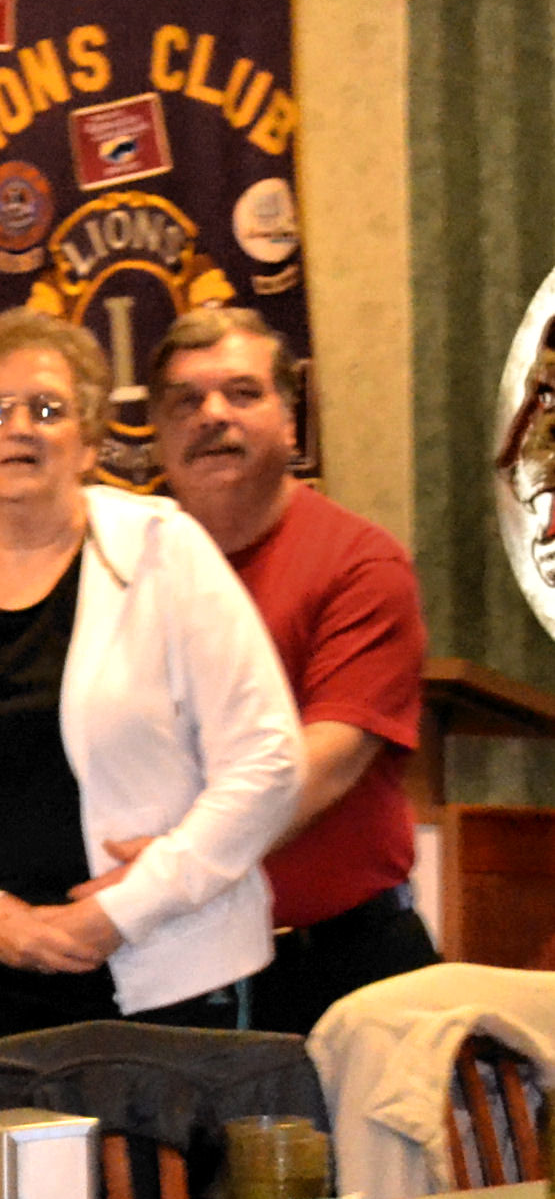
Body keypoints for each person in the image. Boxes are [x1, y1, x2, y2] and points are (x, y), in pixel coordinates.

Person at [0, 310, 302, 1043]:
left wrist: (121, 911)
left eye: (47, 409)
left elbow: (268, 761)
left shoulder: (167, 552)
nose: (19, 429)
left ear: (90, 442)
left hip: (167, 975)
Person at [152, 306, 438, 1035]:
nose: (212, 415)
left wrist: (149, 869)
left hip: (338, 974)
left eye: (242, 393)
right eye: (186, 400)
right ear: (154, 430)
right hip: (171, 969)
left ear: (288, 419)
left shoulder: (359, 565)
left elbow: (316, 772)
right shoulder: (117, 567)